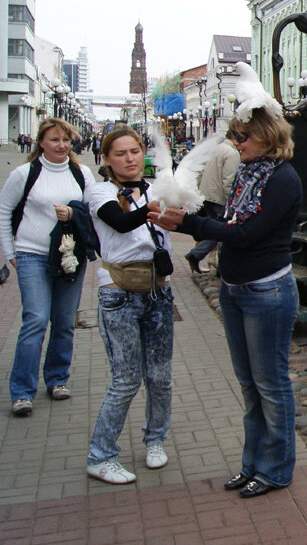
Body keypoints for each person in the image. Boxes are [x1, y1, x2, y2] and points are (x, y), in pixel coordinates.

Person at [150, 64, 302, 499]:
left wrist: (187, 225)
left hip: (267, 290)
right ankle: (253, 463)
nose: (236, 143)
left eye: (243, 136)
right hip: (235, 288)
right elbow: (230, 220)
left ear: (267, 136)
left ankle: (276, 469)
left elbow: (247, 234)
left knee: (271, 385)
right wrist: (188, 213)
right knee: (250, 387)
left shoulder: (282, 178)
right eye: (235, 136)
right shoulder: (249, 172)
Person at [86, 126, 175, 484]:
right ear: (107, 159)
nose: (130, 159)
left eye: (135, 151)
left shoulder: (157, 189)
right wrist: (153, 208)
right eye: (120, 153)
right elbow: (120, 223)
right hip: (119, 293)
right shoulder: (101, 192)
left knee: (160, 377)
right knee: (126, 380)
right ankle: (100, 456)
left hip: (159, 291)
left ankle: (155, 440)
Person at [0, 118, 96, 416]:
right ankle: (22, 391)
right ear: (41, 142)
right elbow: (4, 211)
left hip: (70, 257)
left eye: (66, 140)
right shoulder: (24, 173)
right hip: (32, 254)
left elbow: (93, 211)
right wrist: (10, 252)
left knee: (64, 321)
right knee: (36, 320)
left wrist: (73, 214)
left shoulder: (82, 174)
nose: (61, 145)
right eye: (54, 140)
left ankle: (57, 378)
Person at [184, 131, 240, 273]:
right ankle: (199, 255)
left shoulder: (215, 149)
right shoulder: (231, 153)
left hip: (206, 195)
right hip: (219, 197)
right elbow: (228, 181)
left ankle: (205, 257)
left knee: (215, 229)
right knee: (222, 229)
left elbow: (200, 173)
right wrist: (231, 203)